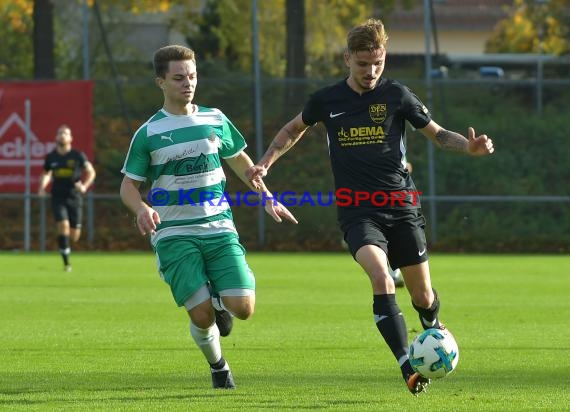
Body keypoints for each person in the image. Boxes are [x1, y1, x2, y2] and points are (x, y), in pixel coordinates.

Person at [246, 19, 494, 395]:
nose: (371, 71)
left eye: (377, 63)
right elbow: (292, 129)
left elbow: (440, 135)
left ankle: (432, 323)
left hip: (401, 205)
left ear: (384, 58)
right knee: (381, 277)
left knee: (423, 297)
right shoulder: (327, 100)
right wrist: (266, 161)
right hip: (357, 211)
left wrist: (469, 147)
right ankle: (406, 365)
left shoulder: (397, 95)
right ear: (348, 59)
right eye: (363, 64)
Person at [119, 45, 298, 390]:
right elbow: (128, 186)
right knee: (201, 316)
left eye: (192, 76)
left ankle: (218, 298)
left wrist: (267, 197)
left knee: (243, 308)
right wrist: (141, 208)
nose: (188, 83)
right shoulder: (149, 133)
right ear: (160, 82)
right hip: (173, 232)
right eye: (178, 77)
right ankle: (218, 366)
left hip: (218, 226)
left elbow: (241, 162)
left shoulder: (215, 118)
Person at [38, 124, 96, 272]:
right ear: (56, 137)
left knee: (74, 234)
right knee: (63, 225)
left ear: (70, 138)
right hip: (58, 195)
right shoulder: (51, 157)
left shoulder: (77, 156)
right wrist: (42, 187)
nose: (62, 135)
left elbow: (91, 171)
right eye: (60, 133)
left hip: (74, 197)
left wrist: (84, 186)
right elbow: (46, 174)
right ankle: (66, 262)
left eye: (65, 133)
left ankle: (66, 244)